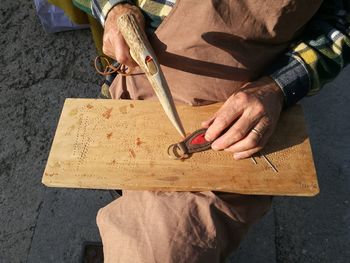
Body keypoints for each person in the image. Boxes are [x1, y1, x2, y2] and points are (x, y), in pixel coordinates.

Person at [49, 0, 350, 262]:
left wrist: (279, 85)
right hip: (144, 68)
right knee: (120, 173)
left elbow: (342, 22)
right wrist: (114, 8)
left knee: (163, 248)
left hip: (235, 110)